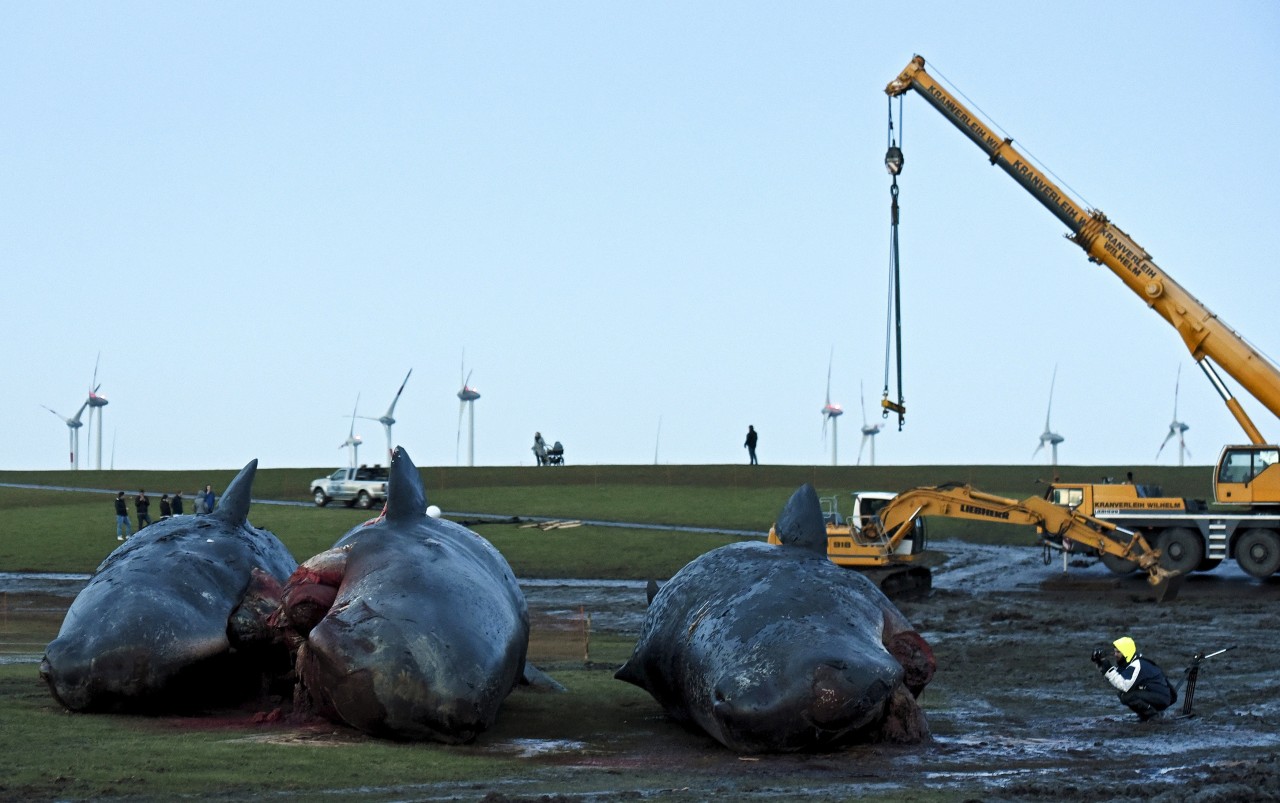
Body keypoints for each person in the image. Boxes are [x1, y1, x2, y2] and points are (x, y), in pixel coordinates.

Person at [1093, 635, 1175, 721]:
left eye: (1118, 652)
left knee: (1128, 696)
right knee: (1124, 695)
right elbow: (1116, 676)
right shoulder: (1130, 662)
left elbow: (1124, 685)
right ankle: (1145, 715)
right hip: (1157, 695)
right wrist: (1101, 664)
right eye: (1115, 652)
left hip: (1162, 698)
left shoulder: (1136, 664)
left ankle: (1154, 716)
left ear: (1126, 652)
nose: (1115, 655)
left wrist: (1108, 669)